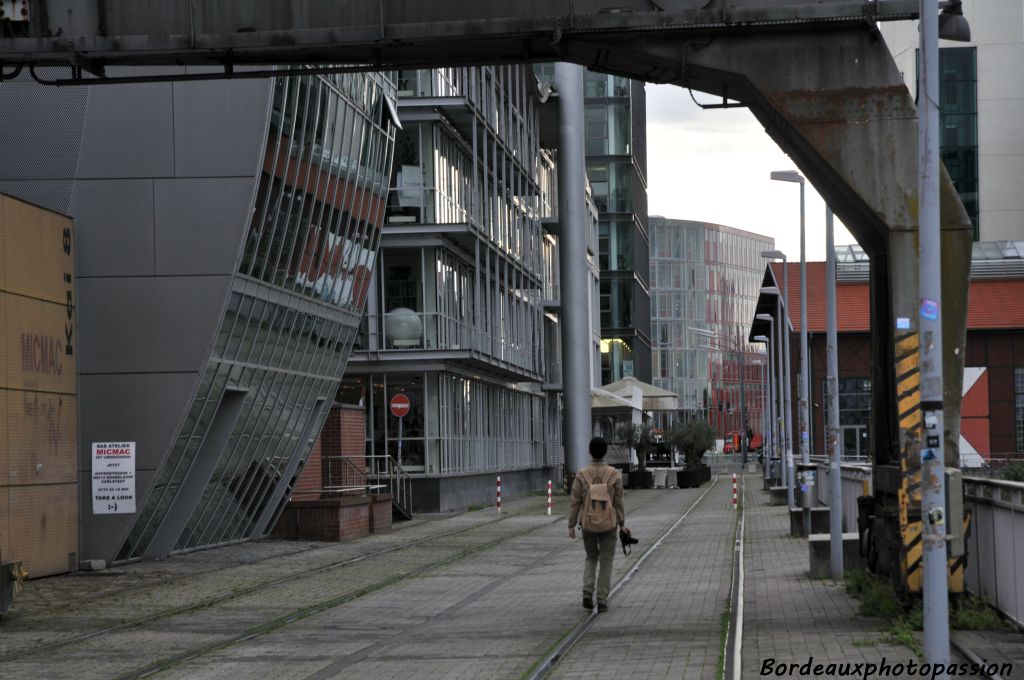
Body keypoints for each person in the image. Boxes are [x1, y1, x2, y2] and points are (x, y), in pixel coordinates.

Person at [568, 437, 627, 612]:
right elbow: (619, 502)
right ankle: (602, 599)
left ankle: (587, 592)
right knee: (607, 560)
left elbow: (575, 501)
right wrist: (622, 523)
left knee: (591, 556)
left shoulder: (581, 474)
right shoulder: (614, 474)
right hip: (609, 524)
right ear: (606, 452)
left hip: (588, 523)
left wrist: (571, 524)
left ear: (589, 452)